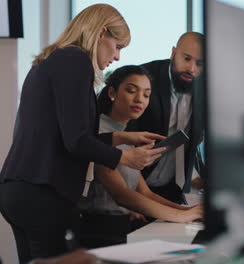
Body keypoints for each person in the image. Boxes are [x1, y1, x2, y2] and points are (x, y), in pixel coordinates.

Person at [0, 4, 164, 263]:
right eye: (118, 46)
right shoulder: (75, 60)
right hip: (44, 193)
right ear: (101, 33)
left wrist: (121, 138)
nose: (118, 57)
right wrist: (124, 158)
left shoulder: (54, 59)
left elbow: (67, 138)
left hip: (22, 190)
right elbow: (77, 142)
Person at [79, 65, 203, 249]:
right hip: (97, 233)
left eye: (146, 95)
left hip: (121, 230)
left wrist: (188, 211)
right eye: (131, 90)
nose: (140, 99)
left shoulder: (127, 137)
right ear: (112, 92)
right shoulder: (100, 133)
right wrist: (181, 216)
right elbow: (122, 195)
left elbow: (145, 193)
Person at [130, 32, 205, 204]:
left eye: (199, 63)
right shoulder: (144, 78)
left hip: (174, 190)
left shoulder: (206, 89)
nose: (191, 68)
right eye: (186, 59)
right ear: (173, 53)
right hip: (135, 187)